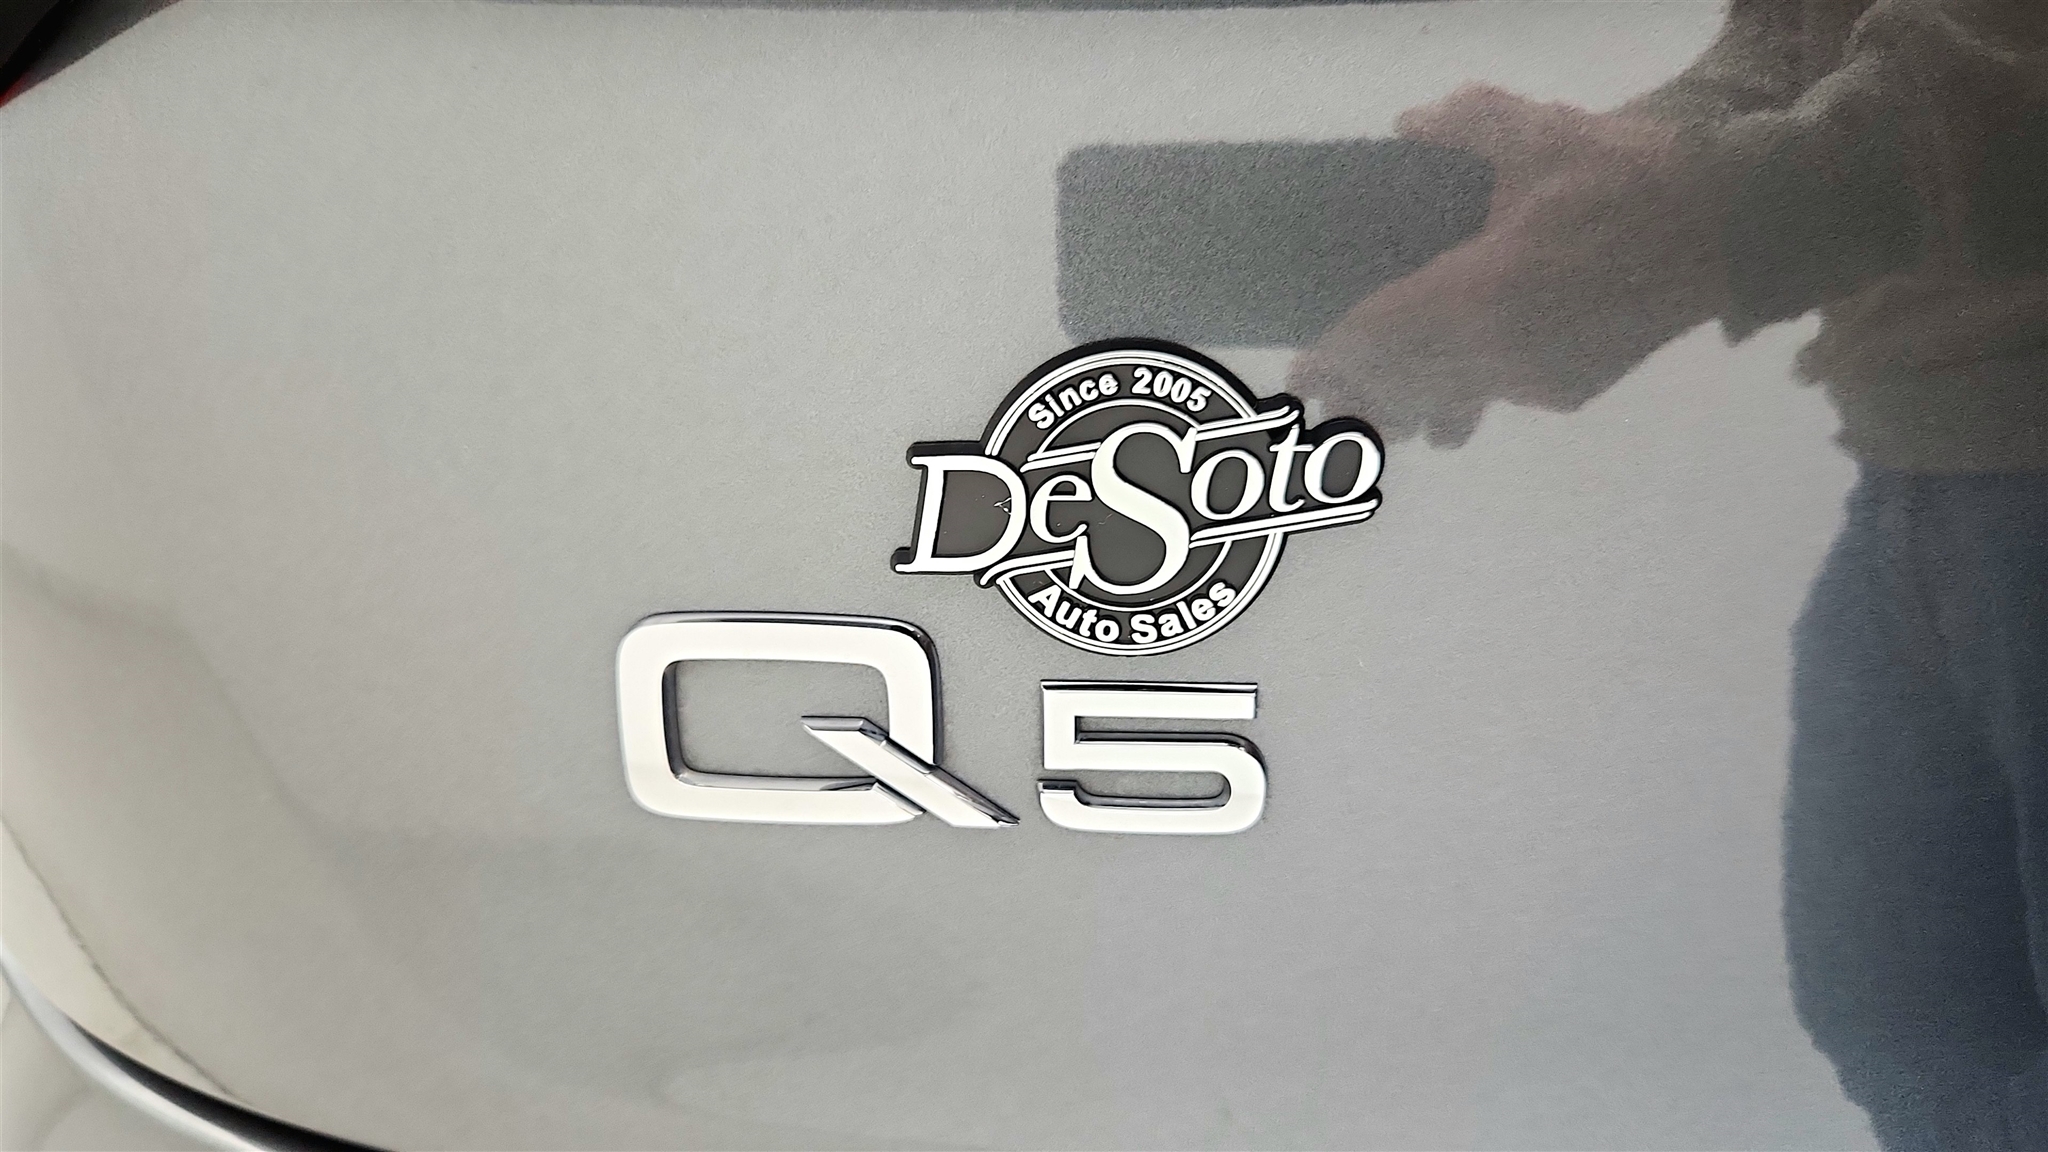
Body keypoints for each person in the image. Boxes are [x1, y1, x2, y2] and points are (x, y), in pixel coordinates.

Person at [1287, 2, 2047, 1147]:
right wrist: (1622, 165)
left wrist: (1706, 208)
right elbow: (1798, 35)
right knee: (1901, 1046)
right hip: (1915, 472)